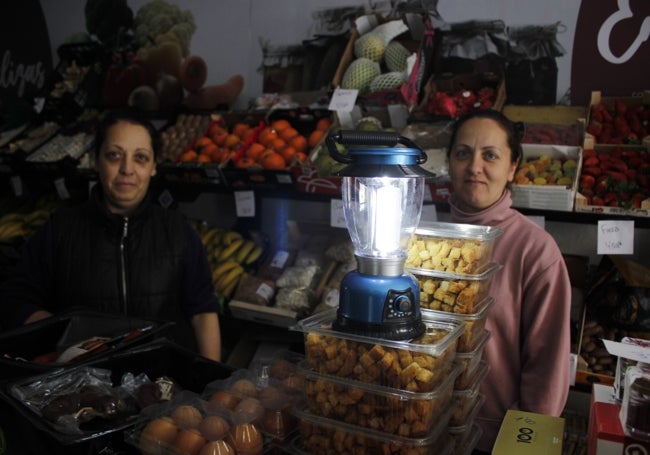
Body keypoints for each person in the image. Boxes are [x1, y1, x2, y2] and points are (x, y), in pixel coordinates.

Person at [0, 111, 222, 361]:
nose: (127, 169)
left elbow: (203, 312)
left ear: (153, 167)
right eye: (114, 155)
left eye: (140, 158)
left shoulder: (178, 231)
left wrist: (210, 381)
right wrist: (61, 332)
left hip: (166, 382)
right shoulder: (59, 230)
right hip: (85, 385)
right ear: (96, 161)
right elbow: (16, 299)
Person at [446, 109, 572, 452]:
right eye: (463, 153)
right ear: (449, 164)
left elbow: (548, 371)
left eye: (490, 155)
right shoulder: (428, 240)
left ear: (512, 167)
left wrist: (521, 446)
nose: (474, 167)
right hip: (429, 429)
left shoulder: (535, 251)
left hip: (495, 439)